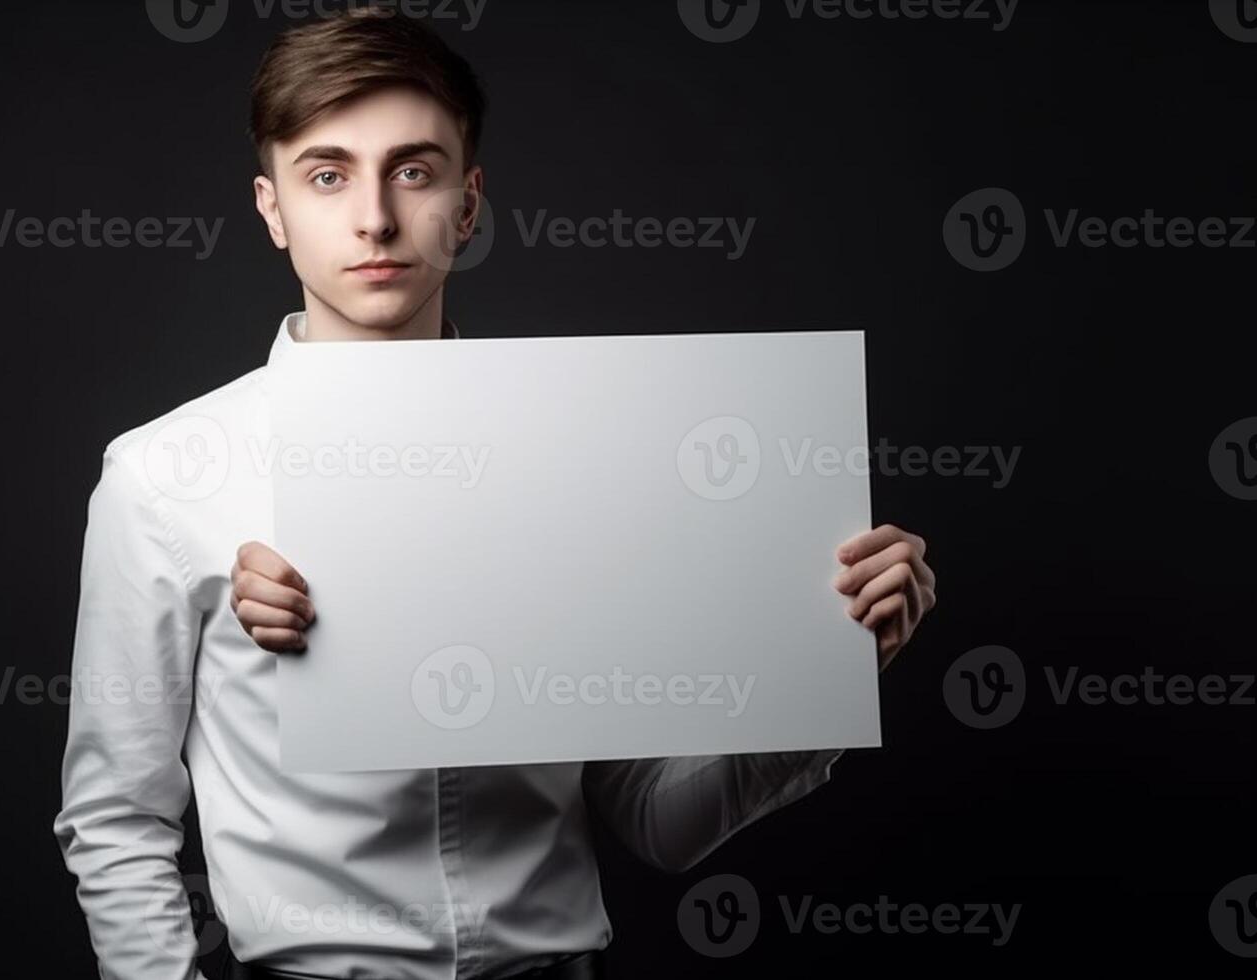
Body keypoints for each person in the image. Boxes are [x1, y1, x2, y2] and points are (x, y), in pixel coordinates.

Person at [53, 10, 938, 980]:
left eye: (415, 170)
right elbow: (115, 815)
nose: (375, 217)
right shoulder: (165, 475)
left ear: (468, 206)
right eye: (327, 173)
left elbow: (657, 818)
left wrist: (826, 675)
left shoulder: (585, 456)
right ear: (272, 208)